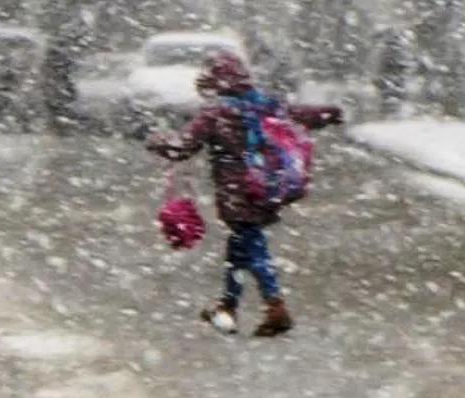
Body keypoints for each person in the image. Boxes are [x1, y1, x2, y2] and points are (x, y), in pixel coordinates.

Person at [145, 51, 343, 337]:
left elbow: (183, 147)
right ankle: (227, 308)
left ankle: (276, 307)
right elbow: (302, 115)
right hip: (266, 188)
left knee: (254, 248)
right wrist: (330, 113)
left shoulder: (217, 113)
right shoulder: (266, 105)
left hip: (238, 195)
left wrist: (156, 141)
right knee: (238, 251)